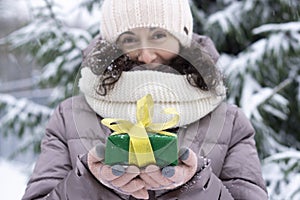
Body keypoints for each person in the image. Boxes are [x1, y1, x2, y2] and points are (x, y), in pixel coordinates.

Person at [22, 0, 268, 199]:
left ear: (181, 39)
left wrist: (195, 184)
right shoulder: (69, 116)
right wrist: (89, 182)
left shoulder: (230, 122)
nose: (146, 55)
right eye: (129, 39)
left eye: (159, 35)